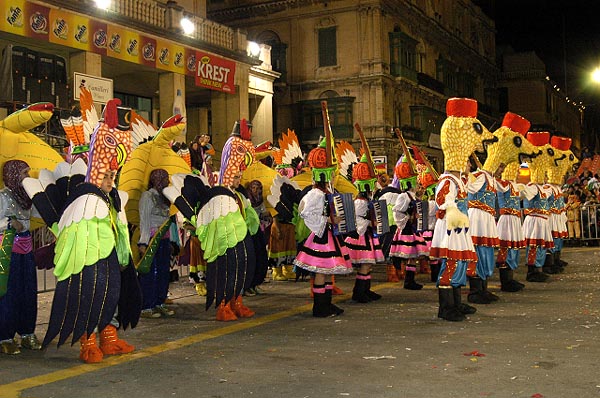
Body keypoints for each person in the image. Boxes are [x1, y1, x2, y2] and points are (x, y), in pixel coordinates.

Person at [24, 99, 140, 363]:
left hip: (110, 256)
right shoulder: (87, 199)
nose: (111, 180)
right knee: (89, 291)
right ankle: (87, 341)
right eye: (107, 176)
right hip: (88, 260)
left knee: (113, 291)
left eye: (113, 176)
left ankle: (109, 338)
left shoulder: (113, 198)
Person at [430, 98, 494, 321]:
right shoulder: (448, 179)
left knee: (460, 265)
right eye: (467, 161)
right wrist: (456, 218)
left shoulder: (460, 180)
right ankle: (446, 307)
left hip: (459, 229)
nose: (469, 164)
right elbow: (441, 201)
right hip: (451, 230)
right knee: (451, 264)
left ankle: (456, 302)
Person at [293, 137, 353, 317]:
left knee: (327, 271)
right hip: (321, 237)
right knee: (321, 269)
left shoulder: (327, 192)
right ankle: (320, 307)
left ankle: (326, 304)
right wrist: (327, 220)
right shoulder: (315, 194)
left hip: (328, 236)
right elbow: (305, 213)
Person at [0, 160, 42, 354]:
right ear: (14, 175)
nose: (28, 177)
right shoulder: (3, 196)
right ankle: (5, 337)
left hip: (26, 250)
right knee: (9, 293)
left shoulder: (26, 198)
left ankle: (27, 333)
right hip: (9, 252)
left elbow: (41, 214)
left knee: (28, 291)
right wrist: (9, 222)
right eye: (25, 173)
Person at [137, 169, 177, 318]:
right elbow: (145, 219)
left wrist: (172, 240)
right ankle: (147, 306)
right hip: (152, 240)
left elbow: (168, 221)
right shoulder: (147, 196)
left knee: (163, 273)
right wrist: (143, 242)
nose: (167, 182)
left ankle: (159, 303)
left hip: (164, 239)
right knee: (149, 273)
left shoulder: (165, 198)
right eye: (165, 179)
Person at [345, 154, 384, 303]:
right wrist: (370, 223)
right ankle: (359, 292)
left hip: (366, 235)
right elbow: (356, 220)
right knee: (365, 264)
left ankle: (365, 290)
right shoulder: (360, 202)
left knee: (368, 265)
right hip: (360, 237)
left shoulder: (367, 200)